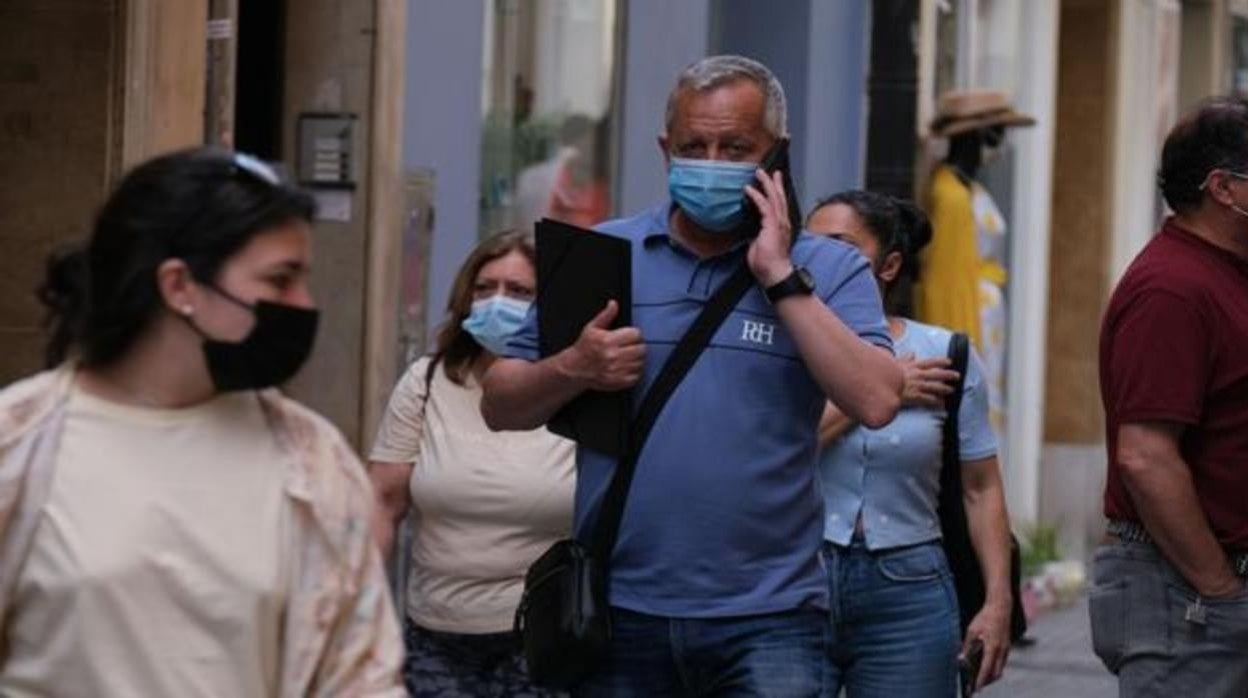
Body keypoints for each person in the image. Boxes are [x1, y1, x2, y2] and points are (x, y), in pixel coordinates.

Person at [481, 54, 904, 696]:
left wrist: (781, 278)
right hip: (619, 612)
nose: (711, 161)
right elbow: (500, 404)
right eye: (693, 146)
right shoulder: (602, 255)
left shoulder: (828, 268)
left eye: (735, 147)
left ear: (776, 153)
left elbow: (875, 400)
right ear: (664, 149)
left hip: (771, 619)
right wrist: (575, 366)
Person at [0, 147, 404, 697]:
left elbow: (360, 675)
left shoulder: (312, 462)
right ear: (179, 286)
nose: (304, 304)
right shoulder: (20, 443)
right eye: (281, 279)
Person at [807, 191, 1013, 697]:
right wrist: (886, 390)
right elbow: (778, 450)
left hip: (909, 588)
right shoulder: (783, 346)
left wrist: (998, 601)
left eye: (839, 246)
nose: (817, 260)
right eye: (807, 246)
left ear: (890, 264)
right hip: (796, 580)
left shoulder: (944, 355)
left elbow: (981, 488)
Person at [368, 229, 576, 696]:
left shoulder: (578, 391)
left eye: (520, 291)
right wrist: (355, 607)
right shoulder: (425, 382)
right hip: (435, 634)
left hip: (542, 639)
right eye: (485, 289)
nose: (497, 302)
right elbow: (382, 503)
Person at [1091, 96, 1248, 697]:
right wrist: (1221, 592)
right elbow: (1145, 457)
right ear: (1223, 188)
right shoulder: (1174, 290)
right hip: (1185, 594)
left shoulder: (1223, 271)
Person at [918, 89, 1034, 435]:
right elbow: (945, 280)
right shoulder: (950, 196)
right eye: (999, 129)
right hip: (969, 315)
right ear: (980, 133)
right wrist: (956, 347)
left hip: (985, 311)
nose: (1003, 138)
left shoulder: (967, 189)